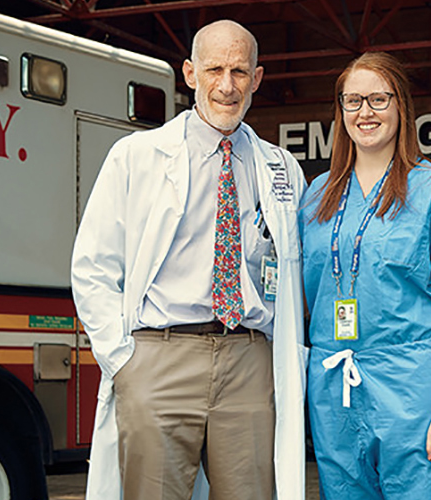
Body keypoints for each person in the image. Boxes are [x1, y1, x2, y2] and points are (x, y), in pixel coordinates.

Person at [71, 19, 307, 500]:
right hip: (159, 358)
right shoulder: (135, 156)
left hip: (249, 361)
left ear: (257, 79)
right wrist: (123, 362)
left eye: (240, 72)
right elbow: (93, 265)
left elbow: (295, 272)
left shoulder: (281, 168)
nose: (227, 85)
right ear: (190, 73)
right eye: (215, 69)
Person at [298, 52, 431, 499]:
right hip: (335, 389)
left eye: (378, 99)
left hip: (413, 389)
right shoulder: (316, 196)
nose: (365, 112)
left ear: (400, 105)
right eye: (353, 101)